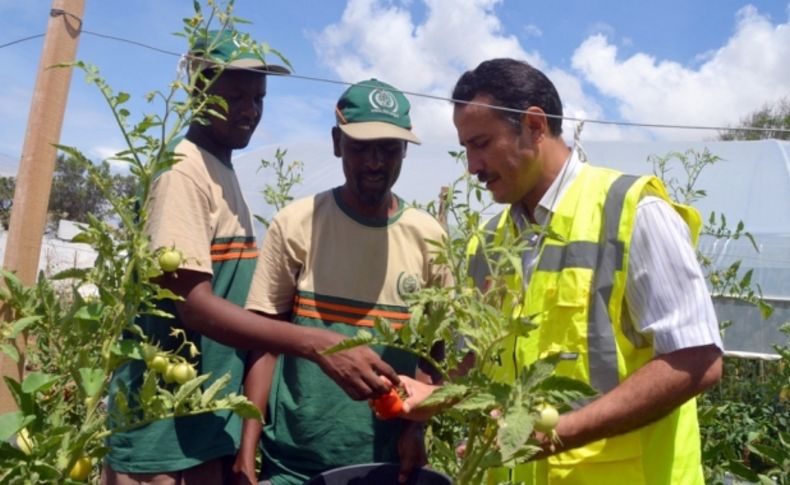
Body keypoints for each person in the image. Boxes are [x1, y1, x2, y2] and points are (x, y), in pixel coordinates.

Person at [399, 58, 724, 484]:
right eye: (466, 148)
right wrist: (435, 396)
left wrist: (555, 433)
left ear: (534, 125)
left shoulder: (632, 211)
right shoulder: (490, 242)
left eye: (481, 143)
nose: (472, 166)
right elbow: (484, 360)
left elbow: (697, 359)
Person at [102, 32, 399, 485]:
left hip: (197, 428)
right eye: (234, 96)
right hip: (162, 437)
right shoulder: (184, 170)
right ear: (197, 92)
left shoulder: (218, 169)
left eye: (258, 98)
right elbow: (192, 304)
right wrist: (315, 344)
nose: (250, 111)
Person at [232, 79, 449, 485]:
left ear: (404, 151)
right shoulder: (297, 224)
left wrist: (414, 428)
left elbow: (431, 356)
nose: (374, 162)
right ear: (337, 143)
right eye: (361, 147)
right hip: (291, 463)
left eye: (388, 148)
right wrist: (247, 454)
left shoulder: (429, 237)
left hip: (385, 465)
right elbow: (264, 345)